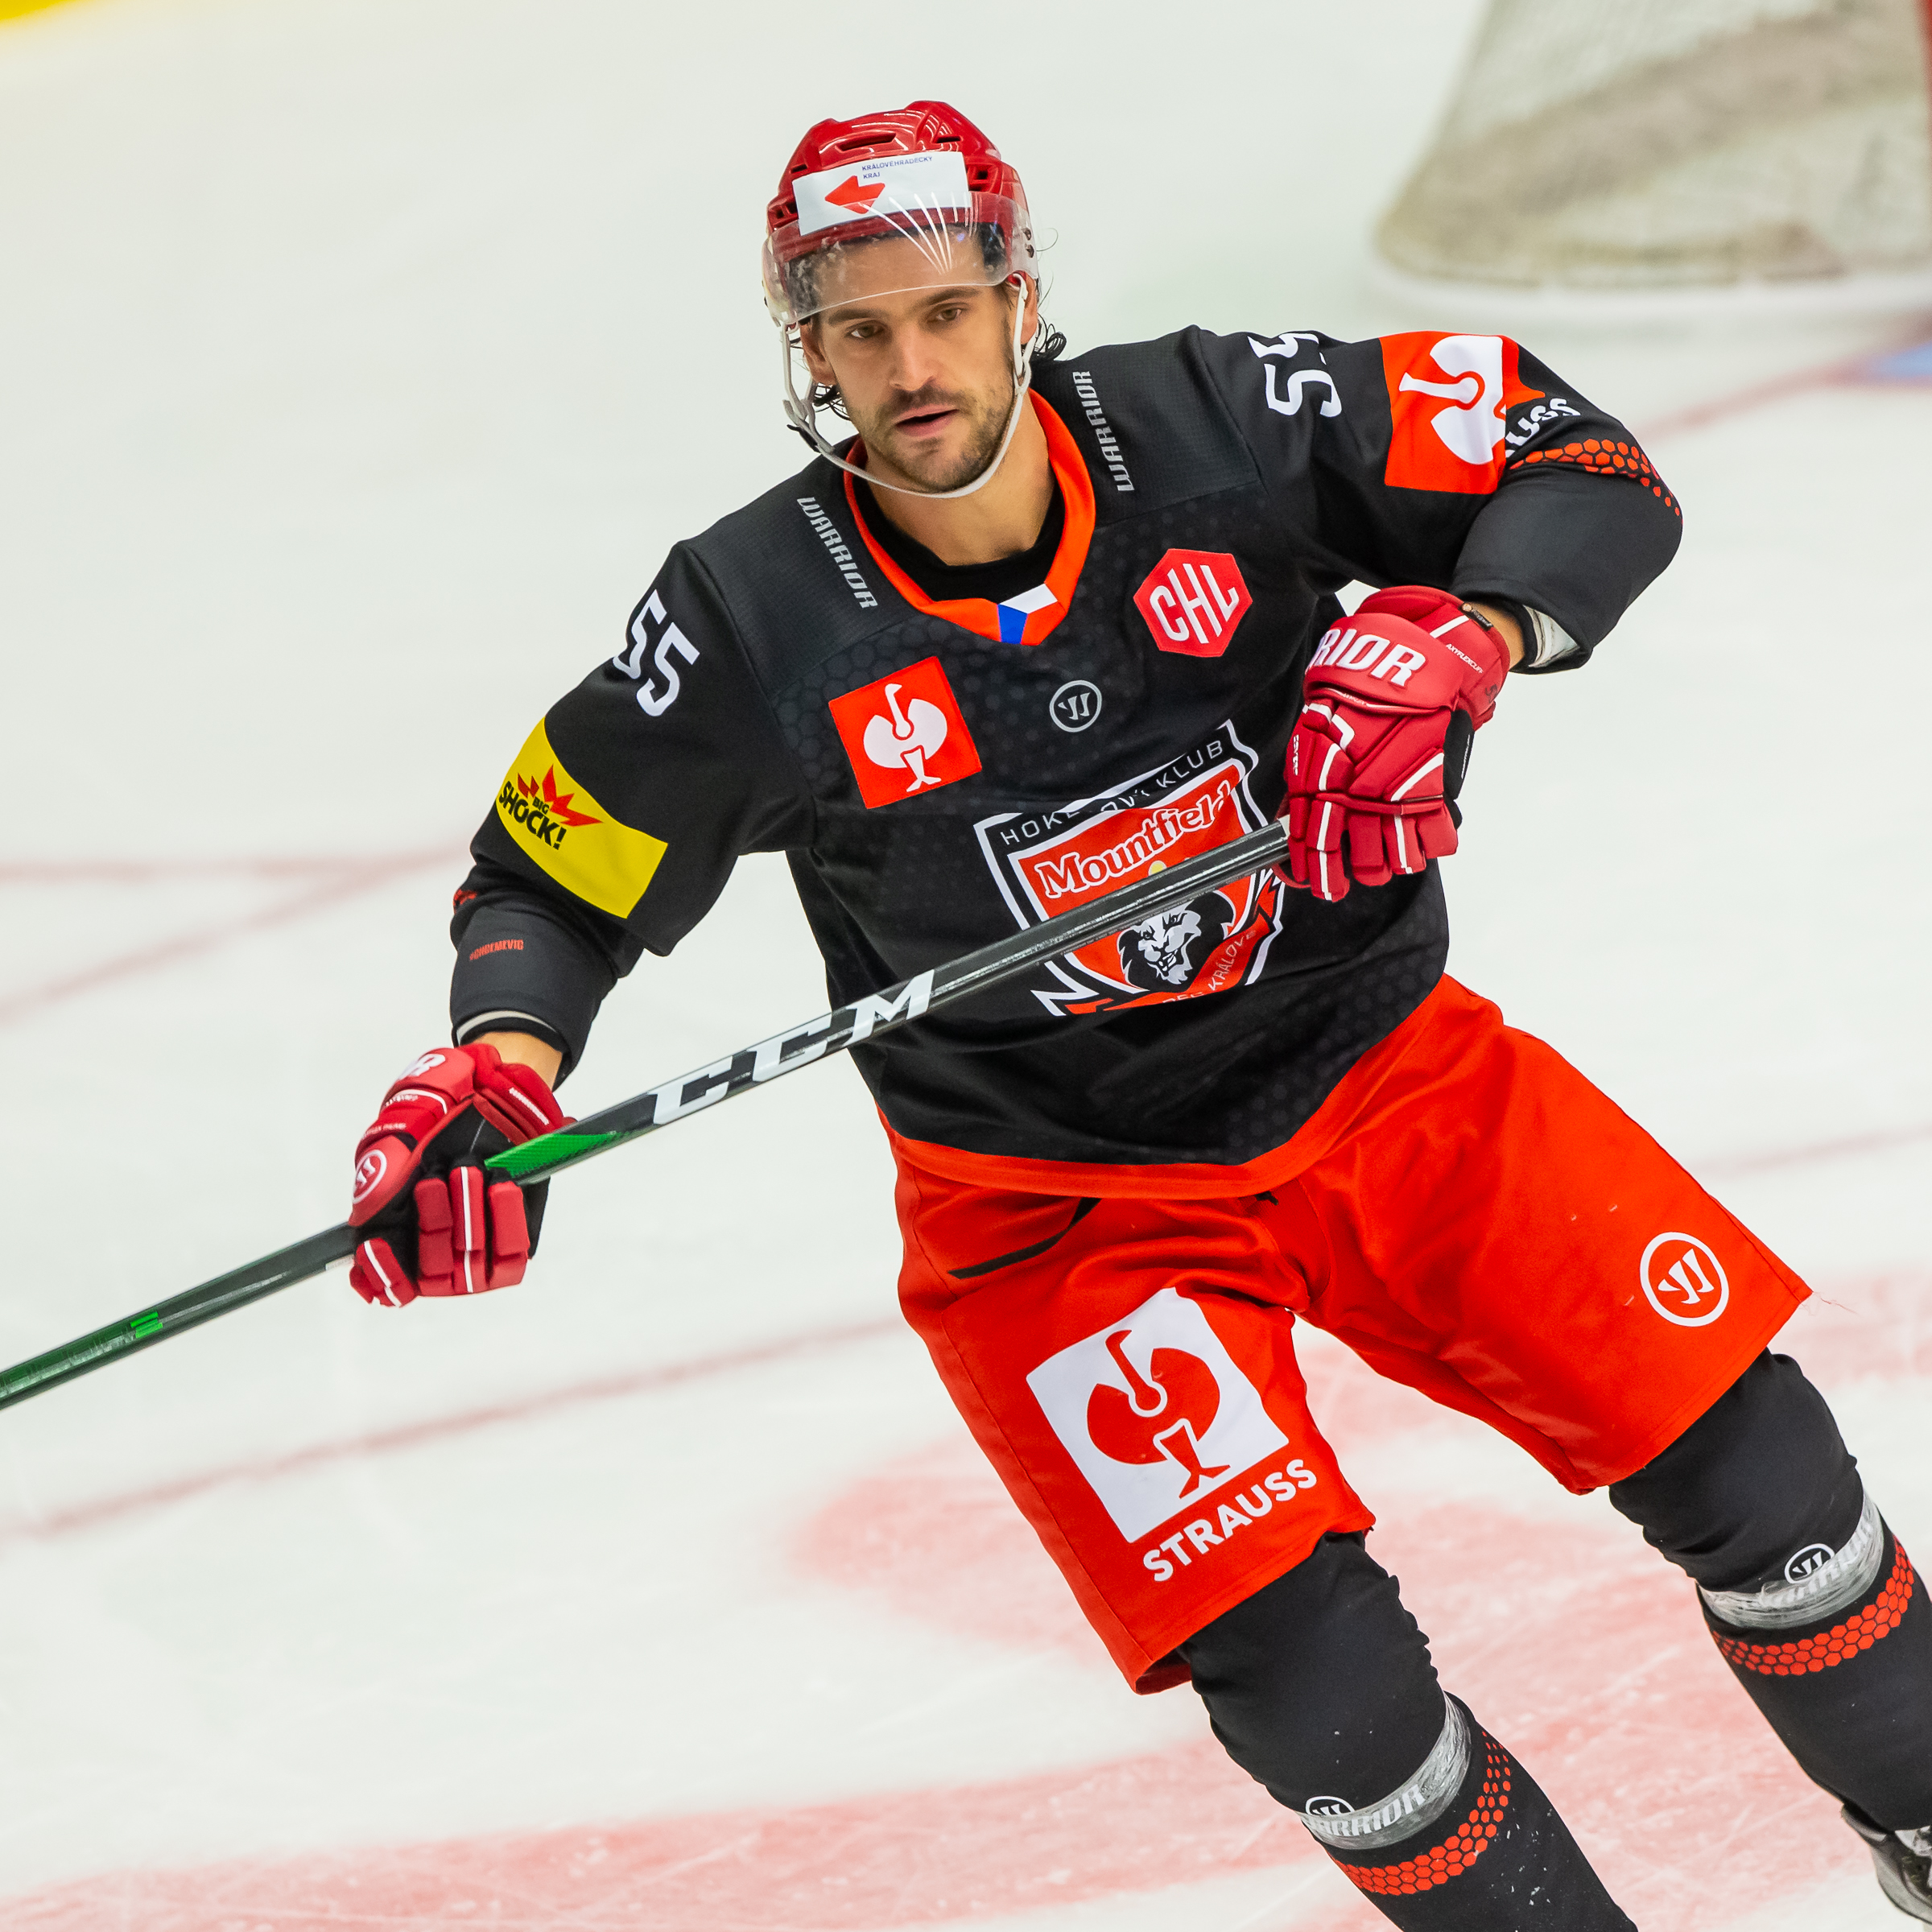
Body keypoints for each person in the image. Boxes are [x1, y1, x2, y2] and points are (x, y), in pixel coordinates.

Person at [342, 101, 1932, 1927]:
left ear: (1021, 300)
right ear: (809, 355)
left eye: (945, 312)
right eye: (859, 331)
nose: (910, 368)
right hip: (1061, 1217)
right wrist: (496, 1065)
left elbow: (1576, 453)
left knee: (1769, 1476)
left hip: (1392, 1078)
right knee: (1328, 1703)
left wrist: (1473, 634)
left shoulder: (1219, 423)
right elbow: (550, 875)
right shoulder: (750, 621)